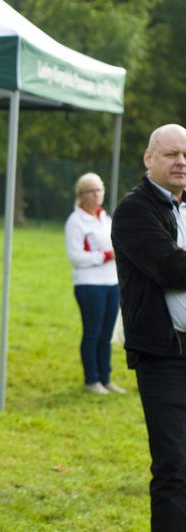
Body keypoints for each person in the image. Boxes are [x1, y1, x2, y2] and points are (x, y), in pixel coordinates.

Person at [112, 123, 186, 531]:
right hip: (163, 357)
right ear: (149, 158)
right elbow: (170, 267)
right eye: (172, 154)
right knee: (174, 467)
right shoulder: (134, 210)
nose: (181, 162)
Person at [64, 172, 124, 394]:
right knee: (93, 333)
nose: (97, 194)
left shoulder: (105, 218)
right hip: (89, 285)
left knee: (107, 334)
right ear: (82, 194)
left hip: (112, 283)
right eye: (92, 190)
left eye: (100, 189)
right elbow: (75, 256)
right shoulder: (76, 221)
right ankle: (92, 379)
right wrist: (106, 256)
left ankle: (105, 378)